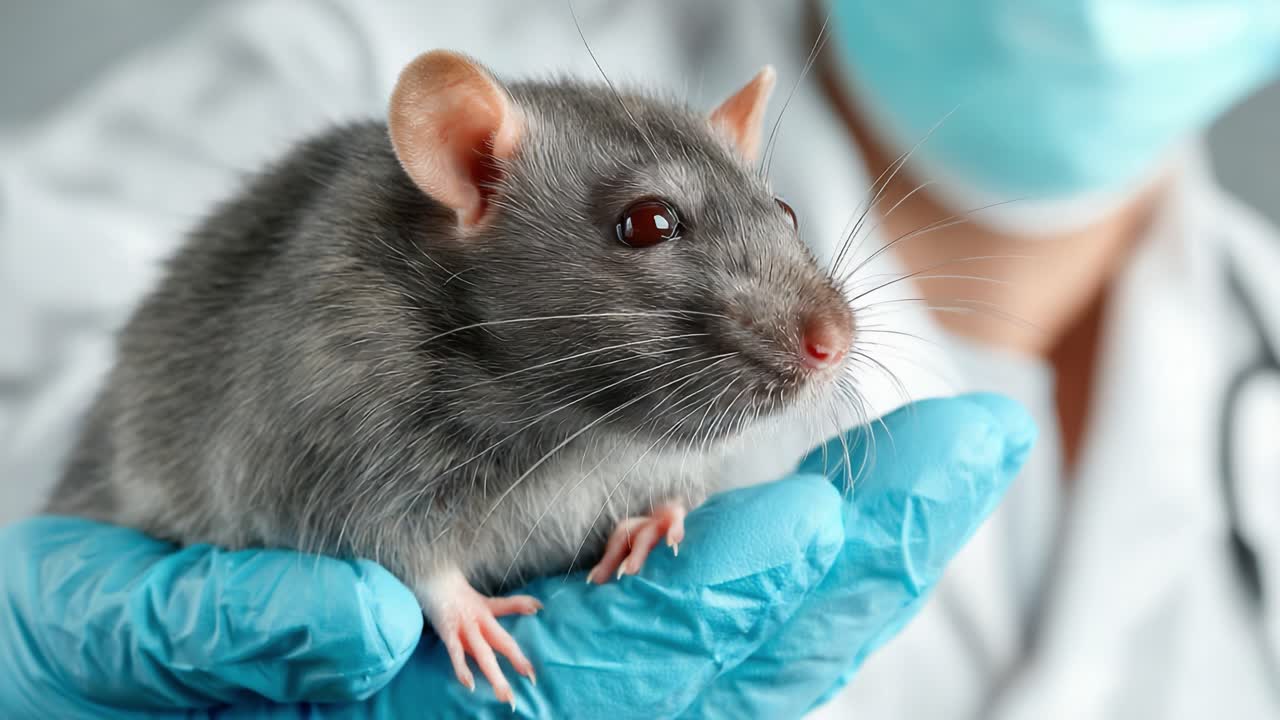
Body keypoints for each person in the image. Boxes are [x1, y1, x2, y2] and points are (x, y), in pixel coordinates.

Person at [0, 0, 1277, 717]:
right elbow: (212, 431)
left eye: (769, 219)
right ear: (468, 166)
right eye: (653, 227)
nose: (821, 330)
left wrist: (663, 494)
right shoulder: (359, 67)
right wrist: (428, 582)